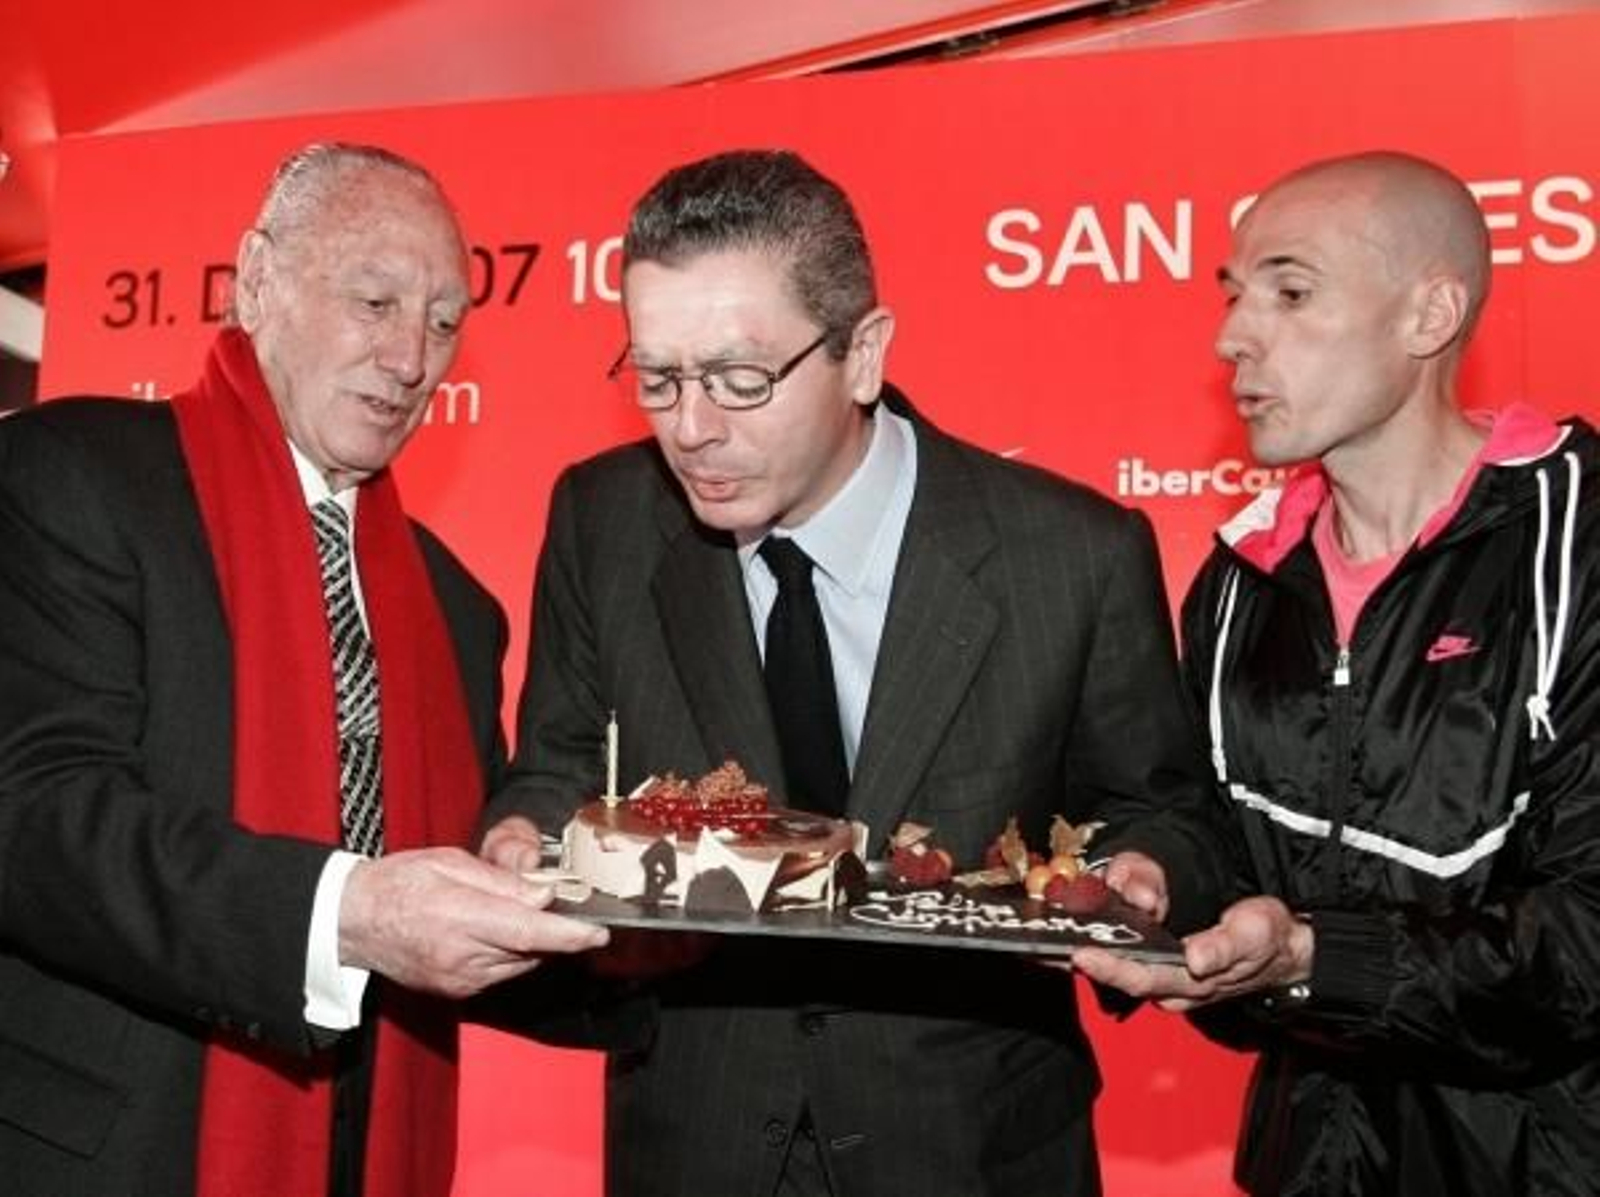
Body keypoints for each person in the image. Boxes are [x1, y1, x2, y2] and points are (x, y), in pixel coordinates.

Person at [480, 148, 1225, 1197]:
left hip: (971, 1142)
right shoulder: (602, 519)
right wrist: (525, 832)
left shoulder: (1069, 554)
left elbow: (1166, 811)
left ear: (863, 354)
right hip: (699, 1133)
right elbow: (559, 758)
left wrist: (1141, 877)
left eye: (740, 380)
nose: (691, 429)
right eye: (655, 379)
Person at [0, 142, 607, 1197]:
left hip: (369, 1150)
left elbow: (446, 909)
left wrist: (633, 932)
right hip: (112, 1157)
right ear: (257, 278)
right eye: (374, 301)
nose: (410, 357)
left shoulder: (456, 606)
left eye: (444, 323)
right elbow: (38, 818)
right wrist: (346, 915)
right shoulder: (71, 476)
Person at [1072, 150, 1600, 1195]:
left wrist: (1318, 954)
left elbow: (1585, 939)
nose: (1231, 337)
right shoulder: (1237, 582)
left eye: (1291, 290)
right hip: (1310, 1162)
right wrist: (1158, 882)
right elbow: (1218, 845)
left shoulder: (1577, 547)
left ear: (1428, 316)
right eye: (1233, 296)